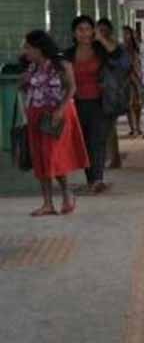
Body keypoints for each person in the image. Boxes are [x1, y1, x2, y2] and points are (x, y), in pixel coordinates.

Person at [19, 30, 90, 216]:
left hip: (56, 114)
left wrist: (60, 109)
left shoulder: (61, 64)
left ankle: (67, 193)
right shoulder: (31, 67)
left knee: (53, 156)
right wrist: (23, 81)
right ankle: (47, 203)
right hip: (35, 113)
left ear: (39, 48)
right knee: (40, 159)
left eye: (28, 47)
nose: (25, 51)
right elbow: (24, 88)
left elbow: (72, 87)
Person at [67, 15, 128, 194]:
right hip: (77, 103)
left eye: (88, 29)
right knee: (84, 142)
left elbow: (117, 55)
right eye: (80, 30)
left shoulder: (101, 50)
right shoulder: (69, 54)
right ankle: (91, 179)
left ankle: (98, 179)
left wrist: (101, 38)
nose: (84, 33)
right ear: (74, 33)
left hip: (100, 102)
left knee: (98, 141)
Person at [97, 19, 129, 170]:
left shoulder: (118, 48)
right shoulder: (94, 48)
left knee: (109, 126)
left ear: (110, 31)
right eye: (99, 30)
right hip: (97, 92)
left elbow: (125, 65)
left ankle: (114, 158)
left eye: (104, 30)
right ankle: (108, 158)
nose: (101, 33)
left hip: (112, 92)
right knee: (103, 127)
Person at [123, 26, 144, 137]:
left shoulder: (138, 48)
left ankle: (138, 126)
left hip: (137, 78)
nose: (125, 36)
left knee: (138, 104)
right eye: (124, 34)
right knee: (129, 104)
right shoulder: (121, 49)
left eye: (127, 34)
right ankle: (133, 128)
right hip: (126, 80)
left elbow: (141, 63)